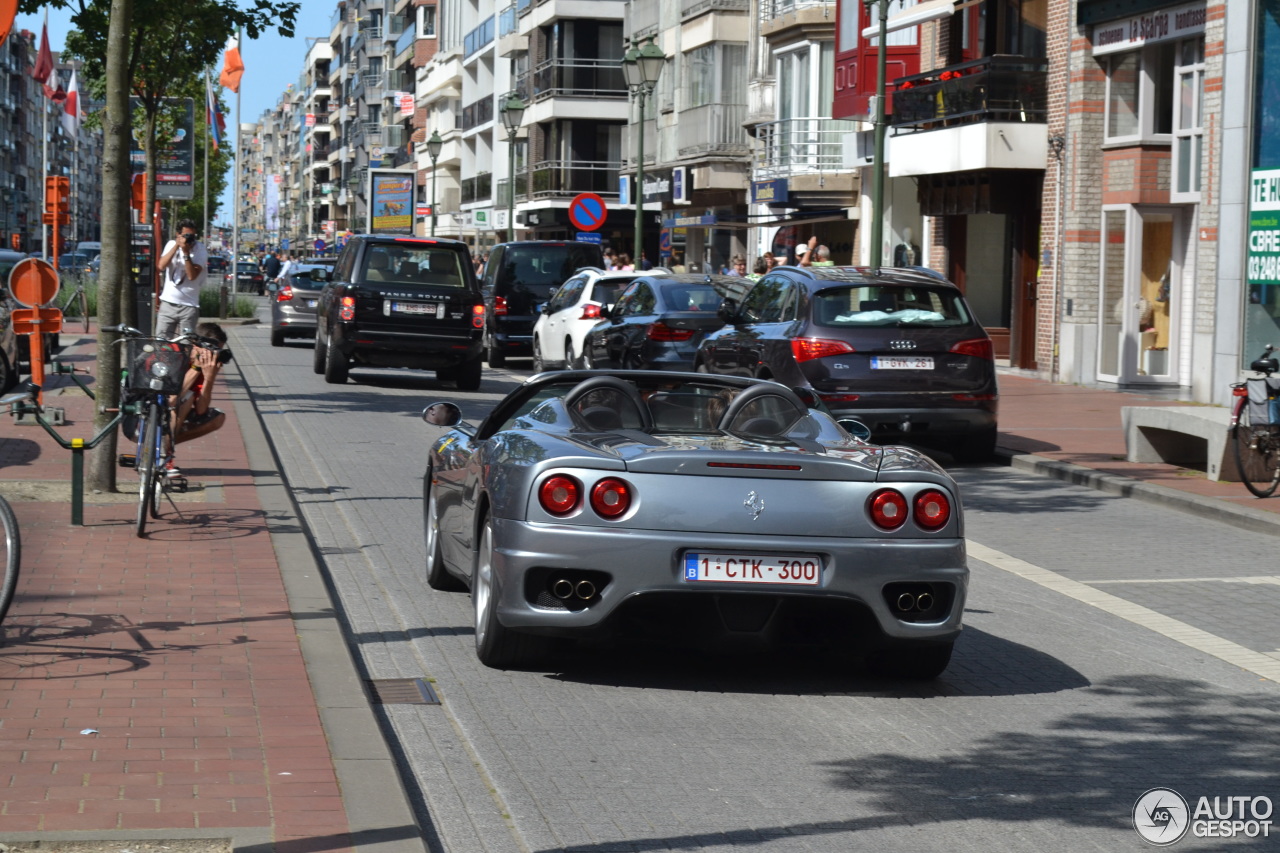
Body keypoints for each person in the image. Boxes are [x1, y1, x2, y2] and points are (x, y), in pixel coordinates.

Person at [164, 322, 231, 476]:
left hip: (171, 417)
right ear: (197, 345)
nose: (214, 356)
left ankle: (161, 448)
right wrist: (195, 368)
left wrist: (209, 378)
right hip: (146, 413)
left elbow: (201, 409)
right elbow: (172, 398)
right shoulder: (175, 356)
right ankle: (163, 457)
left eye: (218, 351)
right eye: (213, 350)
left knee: (217, 417)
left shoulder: (204, 367)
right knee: (183, 401)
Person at [156, 219, 208, 340]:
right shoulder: (170, 244)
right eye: (186, 235)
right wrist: (176, 246)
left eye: (193, 236)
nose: (190, 239)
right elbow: (161, 266)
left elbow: (192, 275)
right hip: (168, 303)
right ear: (178, 234)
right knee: (161, 342)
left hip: (189, 306)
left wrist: (186, 252)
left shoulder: (200, 249)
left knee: (186, 345)